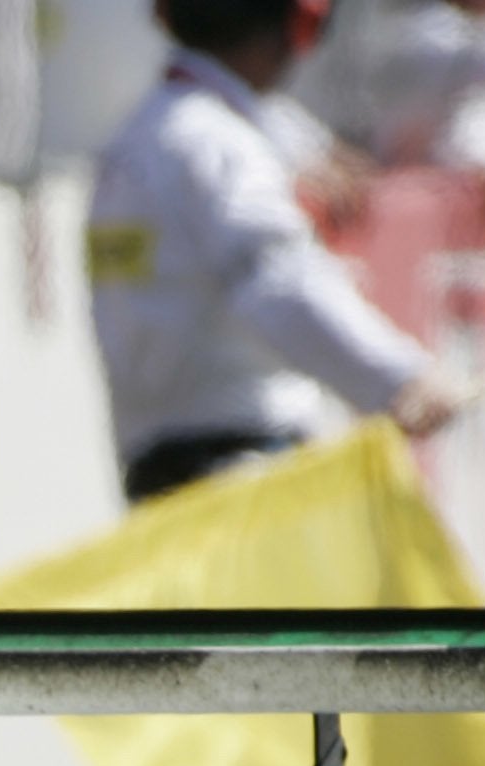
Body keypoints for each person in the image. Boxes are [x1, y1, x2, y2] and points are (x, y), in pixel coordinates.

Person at [88, 0, 462, 502]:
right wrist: (399, 379)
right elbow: (280, 285)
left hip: (158, 472)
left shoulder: (137, 140)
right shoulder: (218, 146)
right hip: (244, 471)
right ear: (289, 28)